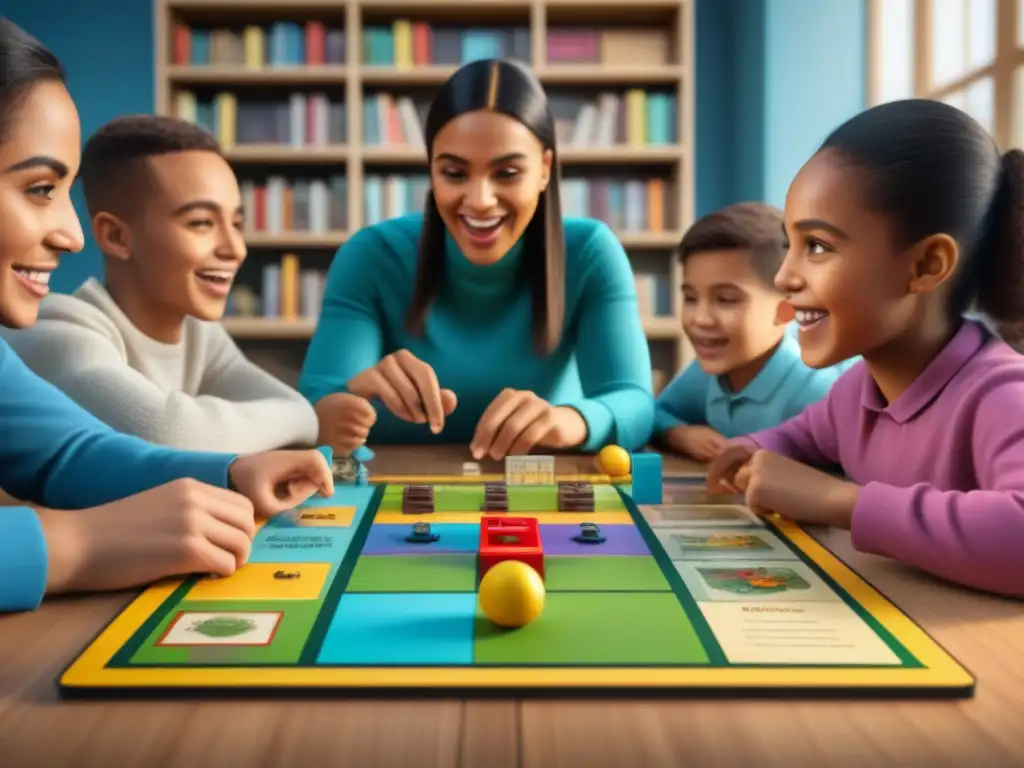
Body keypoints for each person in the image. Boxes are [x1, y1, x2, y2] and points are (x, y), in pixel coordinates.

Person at [0, 19, 334, 614]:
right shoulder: (59, 327)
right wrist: (76, 545)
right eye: (40, 188)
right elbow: (162, 430)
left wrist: (230, 473)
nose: (73, 237)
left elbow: (66, 453)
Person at [707, 98, 1024, 597]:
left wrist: (841, 502)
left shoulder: (1002, 393)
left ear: (925, 265)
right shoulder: (857, 391)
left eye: (817, 246)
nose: (784, 276)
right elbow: (797, 440)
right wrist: (754, 450)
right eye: (789, 244)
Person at [300, 58, 654, 460]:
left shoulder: (590, 251)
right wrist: (342, 401)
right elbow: (313, 406)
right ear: (431, 171)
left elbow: (637, 405)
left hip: (538, 485)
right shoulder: (369, 256)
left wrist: (569, 421)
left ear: (544, 169)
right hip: (391, 486)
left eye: (506, 174)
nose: (480, 201)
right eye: (454, 173)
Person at [0, 114, 375, 454]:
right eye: (201, 223)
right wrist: (311, 420)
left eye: (237, 223)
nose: (236, 249)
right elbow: (173, 432)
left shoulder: (200, 335)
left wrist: (299, 415)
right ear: (116, 236)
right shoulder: (54, 329)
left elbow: (281, 403)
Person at [653, 202, 850, 461]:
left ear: (788, 309)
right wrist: (680, 434)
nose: (700, 319)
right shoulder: (706, 374)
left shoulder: (819, 392)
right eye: (690, 298)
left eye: (725, 299)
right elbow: (652, 414)